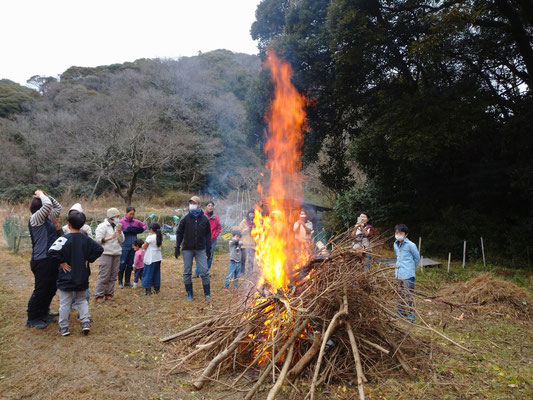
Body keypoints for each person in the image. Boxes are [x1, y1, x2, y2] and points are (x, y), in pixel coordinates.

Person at [48, 211, 103, 336]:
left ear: (68, 224)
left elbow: (51, 251)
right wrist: (88, 258)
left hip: (66, 277)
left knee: (65, 303)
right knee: (82, 300)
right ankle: (85, 322)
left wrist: (61, 262)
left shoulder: (63, 239)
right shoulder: (86, 240)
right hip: (82, 276)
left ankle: (64, 327)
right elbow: (99, 249)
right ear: (83, 225)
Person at [26, 190, 62, 329]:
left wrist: (47, 195)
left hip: (51, 259)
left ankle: (44, 312)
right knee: (41, 289)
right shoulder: (35, 218)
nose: (49, 209)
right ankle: (33, 317)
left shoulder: (46, 217)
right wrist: (41, 195)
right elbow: (47, 205)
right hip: (41, 261)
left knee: (51, 288)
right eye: (44, 202)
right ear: (39, 207)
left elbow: (58, 207)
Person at [174, 196, 212, 301]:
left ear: (199, 205)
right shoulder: (185, 218)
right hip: (187, 248)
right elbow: (179, 233)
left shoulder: (205, 219)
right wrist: (177, 246)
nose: (192, 204)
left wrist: (208, 248)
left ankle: (207, 293)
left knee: (204, 272)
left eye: (194, 203)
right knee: (187, 272)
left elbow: (208, 234)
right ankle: (189, 294)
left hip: (200, 248)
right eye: (190, 202)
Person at [94, 208, 124, 303]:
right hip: (106, 253)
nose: (118, 218)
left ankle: (109, 293)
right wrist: (110, 237)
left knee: (113, 275)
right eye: (116, 217)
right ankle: (99, 294)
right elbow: (98, 240)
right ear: (111, 217)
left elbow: (122, 240)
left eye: (118, 217)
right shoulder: (102, 226)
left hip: (116, 253)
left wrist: (119, 234)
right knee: (104, 275)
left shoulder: (117, 226)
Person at [393, 224, 420, 322]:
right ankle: (401, 313)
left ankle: (412, 314)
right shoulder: (395, 244)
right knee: (400, 294)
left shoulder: (411, 245)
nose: (398, 234)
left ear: (406, 234)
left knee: (408, 294)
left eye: (400, 233)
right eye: (396, 233)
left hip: (408, 274)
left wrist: (411, 268)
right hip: (398, 273)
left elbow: (417, 258)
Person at [118, 206, 147, 288]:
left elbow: (145, 226)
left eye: (133, 214)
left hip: (134, 246)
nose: (132, 216)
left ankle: (127, 281)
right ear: (126, 213)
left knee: (131, 264)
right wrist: (125, 231)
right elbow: (117, 231)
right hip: (124, 246)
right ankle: (120, 281)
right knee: (122, 264)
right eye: (130, 214)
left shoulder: (136, 222)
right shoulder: (121, 222)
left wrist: (139, 229)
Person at [194, 201, 221, 276]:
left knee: (209, 256)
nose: (210, 207)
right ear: (206, 207)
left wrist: (216, 235)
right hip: (202, 239)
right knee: (200, 255)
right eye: (209, 206)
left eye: (212, 206)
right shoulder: (201, 216)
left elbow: (218, 227)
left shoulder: (216, 217)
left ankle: (206, 271)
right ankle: (197, 272)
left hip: (212, 240)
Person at [141, 223, 163, 295]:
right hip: (158, 257)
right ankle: (157, 289)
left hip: (150, 257)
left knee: (148, 273)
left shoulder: (150, 237)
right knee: (156, 273)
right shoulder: (159, 236)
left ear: (151, 229)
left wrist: (142, 245)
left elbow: (144, 246)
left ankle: (148, 290)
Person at [238, 210, 256, 276]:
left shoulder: (256, 222)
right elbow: (239, 231)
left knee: (251, 260)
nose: (251, 215)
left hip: (252, 244)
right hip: (244, 244)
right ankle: (242, 272)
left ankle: (250, 273)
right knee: (243, 259)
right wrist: (247, 229)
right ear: (248, 214)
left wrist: (254, 230)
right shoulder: (244, 222)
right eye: (250, 214)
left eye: (253, 214)